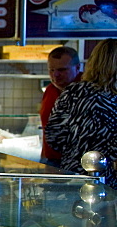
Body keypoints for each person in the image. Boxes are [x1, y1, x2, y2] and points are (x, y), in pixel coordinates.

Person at [46, 38, 117, 185]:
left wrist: (77, 149)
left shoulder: (73, 91)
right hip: (111, 180)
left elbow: (54, 137)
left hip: (74, 176)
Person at [39, 46, 81, 166]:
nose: (55, 75)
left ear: (77, 68)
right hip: (51, 159)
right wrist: (43, 158)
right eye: (51, 70)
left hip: (76, 162)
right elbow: (46, 128)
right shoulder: (50, 89)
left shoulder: (87, 91)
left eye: (62, 70)